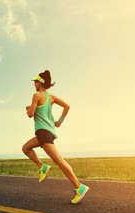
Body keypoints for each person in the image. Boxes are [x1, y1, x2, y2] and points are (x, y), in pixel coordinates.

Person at [22, 70, 89, 204]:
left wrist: (28, 109)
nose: (34, 84)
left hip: (42, 132)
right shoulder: (51, 97)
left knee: (59, 160)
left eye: (35, 82)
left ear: (39, 83)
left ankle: (79, 187)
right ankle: (42, 167)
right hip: (48, 132)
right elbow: (67, 106)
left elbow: (31, 114)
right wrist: (59, 121)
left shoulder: (36, 95)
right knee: (26, 148)